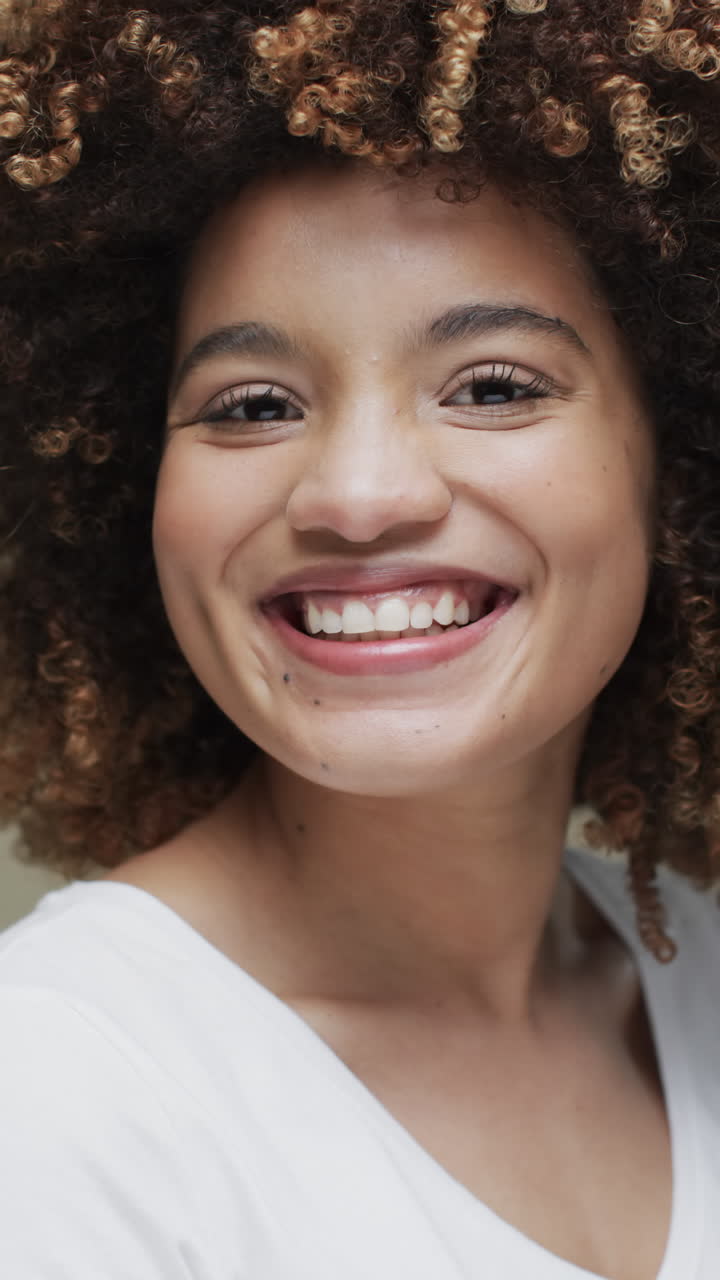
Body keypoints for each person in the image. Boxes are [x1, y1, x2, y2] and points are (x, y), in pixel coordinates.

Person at [0, 0, 719, 1275]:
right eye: (255, 403)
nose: (359, 494)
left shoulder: (703, 986)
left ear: (678, 465)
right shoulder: (59, 1091)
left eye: (494, 385)